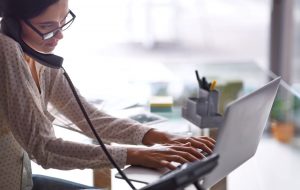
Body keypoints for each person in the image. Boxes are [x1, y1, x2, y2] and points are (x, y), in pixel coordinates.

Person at [0, 0, 216, 189]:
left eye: (63, 21)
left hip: (22, 180)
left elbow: (89, 118)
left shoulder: (36, 55)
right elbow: (44, 148)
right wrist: (137, 155)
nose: (59, 36)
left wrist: (162, 138)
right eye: (46, 27)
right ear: (12, 24)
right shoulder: (6, 49)